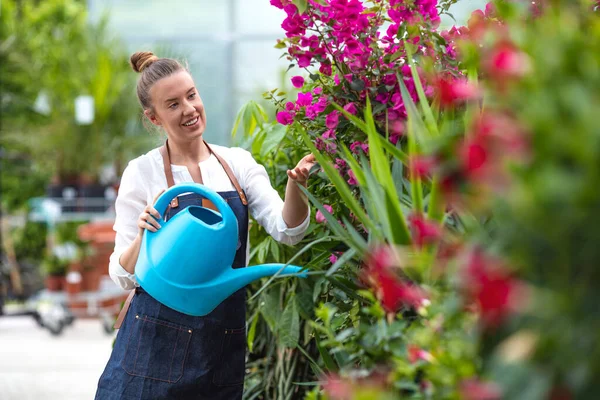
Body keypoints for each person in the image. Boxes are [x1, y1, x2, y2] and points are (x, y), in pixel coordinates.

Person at [95, 51, 315, 400]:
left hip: (220, 339)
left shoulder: (237, 164)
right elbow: (121, 274)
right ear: (154, 118)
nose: (189, 109)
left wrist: (296, 187)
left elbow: (287, 230)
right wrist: (142, 237)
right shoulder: (143, 172)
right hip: (154, 340)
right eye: (173, 104)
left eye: (191, 95)